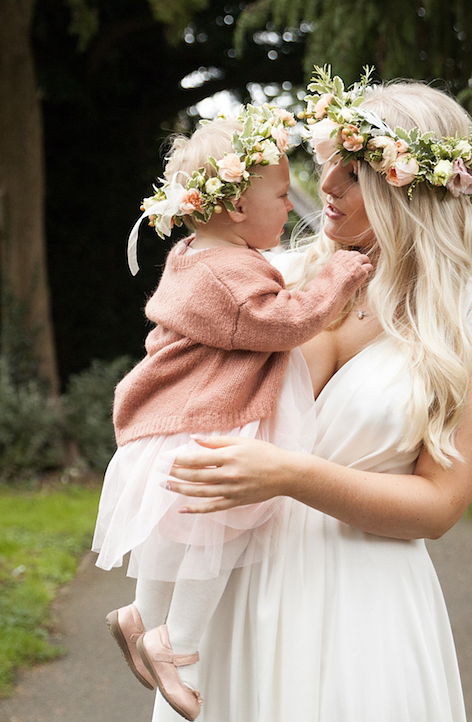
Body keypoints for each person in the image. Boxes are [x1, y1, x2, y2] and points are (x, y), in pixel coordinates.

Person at [156, 67, 472, 722]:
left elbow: (438, 506)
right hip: (234, 589)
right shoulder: (274, 278)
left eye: (354, 174)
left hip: (363, 607)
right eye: (327, 166)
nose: (326, 188)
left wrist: (287, 474)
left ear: (412, 192)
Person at [92, 102, 373, 721]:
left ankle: (142, 616)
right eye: (281, 193)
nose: (294, 203)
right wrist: (339, 277)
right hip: (203, 419)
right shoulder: (228, 273)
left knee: (180, 532)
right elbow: (283, 322)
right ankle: (175, 643)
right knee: (216, 531)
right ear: (237, 208)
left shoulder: (199, 256)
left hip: (178, 419)